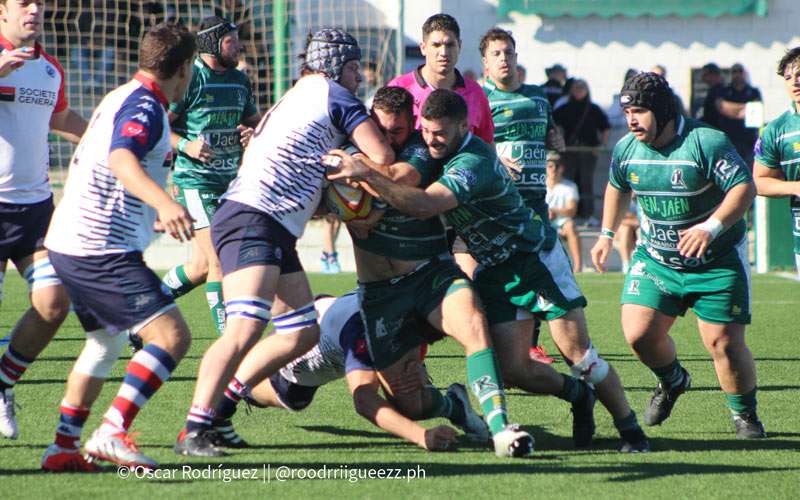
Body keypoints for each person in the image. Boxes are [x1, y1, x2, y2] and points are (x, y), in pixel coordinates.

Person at [208, 85, 532, 458]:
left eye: (398, 131)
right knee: (404, 404)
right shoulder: (345, 148)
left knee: (472, 323)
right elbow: (309, 196)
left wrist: (361, 178)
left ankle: (500, 428)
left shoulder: (417, 148)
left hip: (428, 274)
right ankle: (454, 405)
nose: (391, 139)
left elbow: (400, 177)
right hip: (378, 295)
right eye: (383, 132)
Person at [329, 89, 650, 453]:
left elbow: (424, 204)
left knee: (580, 357)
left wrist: (363, 172)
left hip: (534, 260)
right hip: (495, 271)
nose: (431, 140)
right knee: (514, 369)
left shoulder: (472, 161)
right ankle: (578, 396)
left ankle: (632, 431)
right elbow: (401, 181)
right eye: (428, 131)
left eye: (440, 133)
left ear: (463, 127)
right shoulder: (435, 151)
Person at [175, 28, 394, 457]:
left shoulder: (298, 94)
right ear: (334, 66)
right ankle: (194, 427)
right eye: (352, 67)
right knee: (243, 329)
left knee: (302, 332)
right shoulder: (334, 95)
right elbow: (382, 156)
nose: (358, 77)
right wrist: (352, 170)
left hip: (263, 221)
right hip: (254, 219)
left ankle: (220, 408)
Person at [40, 22, 197, 472]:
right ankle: (111, 431)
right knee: (171, 336)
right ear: (183, 68)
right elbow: (121, 158)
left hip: (71, 243)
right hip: (98, 248)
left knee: (104, 345)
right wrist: (165, 203)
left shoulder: (121, 95)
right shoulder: (145, 106)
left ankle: (64, 447)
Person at [590, 72, 766, 439]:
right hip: (657, 261)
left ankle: (745, 416)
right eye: (627, 112)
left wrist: (710, 228)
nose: (631, 120)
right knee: (638, 334)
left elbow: (743, 187)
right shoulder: (627, 148)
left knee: (724, 344)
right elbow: (616, 186)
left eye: (639, 111)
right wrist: (606, 235)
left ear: (663, 110)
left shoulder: (706, 141)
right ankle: (672, 381)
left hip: (716, 261)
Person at [208, 293, 489, 452]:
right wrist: (420, 436)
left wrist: (415, 366)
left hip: (359, 321)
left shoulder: (414, 307)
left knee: (409, 401)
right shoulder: (366, 332)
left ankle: (456, 406)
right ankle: (231, 382)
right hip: (320, 341)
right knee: (291, 397)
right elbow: (364, 400)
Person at [0, 0, 88, 440]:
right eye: (23, 3)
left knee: (54, 304)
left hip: (35, 211)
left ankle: (2, 383)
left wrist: (105, 139)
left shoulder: (49, 68)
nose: (33, 10)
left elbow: (61, 117)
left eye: (38, 3)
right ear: (2, 11)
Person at [160, 17, 261, 336]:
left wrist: (251, 135)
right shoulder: (190, 78)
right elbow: (159, 125)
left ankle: (144, 310)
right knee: (219, 260)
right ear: (211, 44)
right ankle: (229, 343)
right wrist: (186, 145)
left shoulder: (239, 80)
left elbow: (254, 123)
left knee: (201, 268)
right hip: (195, 182)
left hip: (230, 183)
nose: (239, 46)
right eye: (231, 40)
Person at [479, 27, 567, 361]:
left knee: (537, 266)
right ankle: (496, 344)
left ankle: (530, 344)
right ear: (486, 63)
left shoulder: (538, 96)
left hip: (534, 201)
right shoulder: (482, 100)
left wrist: (556, 143)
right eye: (496, 54)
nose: (504, 59)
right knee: (499, 272)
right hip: (497, 204)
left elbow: (551, 135)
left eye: (509, 53)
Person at [388, 14, 493, 144]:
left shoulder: (475, 92)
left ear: (459, 46)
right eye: (436, 45)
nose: (443, 52)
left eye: (450, 45)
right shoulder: (399, 88)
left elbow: (487, 146)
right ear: (423, 47)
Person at [753, 47, 800, 276]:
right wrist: (795, 187)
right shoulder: (776, 130)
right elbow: (759, 181)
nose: (795, 82)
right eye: (789, 77)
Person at [554, 79, 610, 224]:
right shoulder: (564, 107)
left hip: (589, 151)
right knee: (568, 181)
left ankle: (587, 215)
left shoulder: (593, 108)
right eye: (576, 88)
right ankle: (568, 214)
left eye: (581, 87)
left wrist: (601, 146)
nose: (578, 90)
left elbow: (605, 127)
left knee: (586, 182)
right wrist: (559, 144)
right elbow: (554, 125)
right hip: (569, 151)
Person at [716, 63, 762, 166]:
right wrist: (745, 107)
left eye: (740, 71)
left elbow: (755, 112)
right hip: (729, 139)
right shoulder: (724, 91)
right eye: (734, 72)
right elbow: (721, 107)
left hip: (749, 140)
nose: (737, 74)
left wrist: (731, 108)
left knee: (749, 170)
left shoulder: (753, 92)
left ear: (744, 73)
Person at [545, 152, 581, 273]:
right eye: (550, 166)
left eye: (556, 166)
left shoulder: (570, 186)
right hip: (544, 222)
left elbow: (572, 211)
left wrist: (554, 211)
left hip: (561, 222)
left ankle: (577, 266)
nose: (553, 169)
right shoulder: (540, 185)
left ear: (562, 168)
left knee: (570, 225)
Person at [698, 63, 724, 128]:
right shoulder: (712, 91)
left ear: (714, 75)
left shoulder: (720, 92)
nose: (702, 77)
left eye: (705, 75)